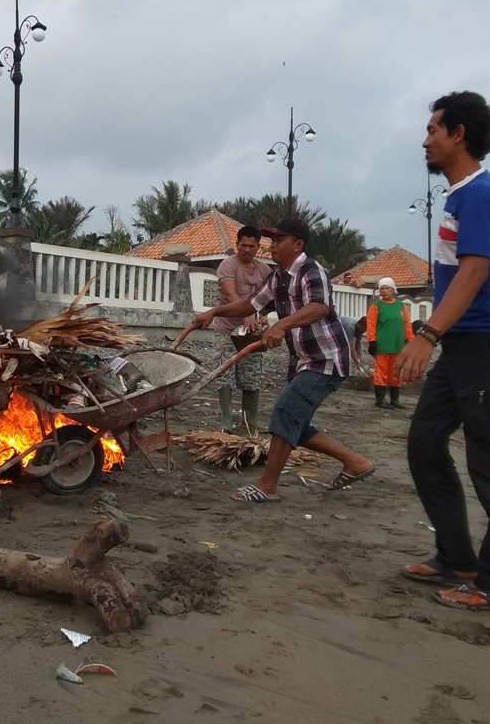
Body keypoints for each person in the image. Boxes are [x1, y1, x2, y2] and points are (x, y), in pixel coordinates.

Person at [192, 217, 373, 502]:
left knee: (285, 413)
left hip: (325, 358)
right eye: (272, 240)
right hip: (303, 360)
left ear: (298, 244)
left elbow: (320, 306)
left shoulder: (312, 270)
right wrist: (214, 312)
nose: (272, 245)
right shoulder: (276, 278)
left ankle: (267, 486)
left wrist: (281, 325)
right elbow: (251, 304)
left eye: (279, 240)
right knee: (295, 424)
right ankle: (355, 462)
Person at [395, 90, 490, 611]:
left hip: (480, 343)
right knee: (426, 444)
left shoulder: (479, 192)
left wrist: (425, 335)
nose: (425, 139)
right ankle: (456, 557)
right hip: (458, 345)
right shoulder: (457, 196)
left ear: (459, 134)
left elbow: (476, 271)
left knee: (485, 460)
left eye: (434, 129)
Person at [208, 225, 271, 432]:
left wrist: (262, 317)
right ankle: (226, 421)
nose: (247, 250)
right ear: (236, 245)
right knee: (224, 374)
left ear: (258, 247)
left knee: (251, 375)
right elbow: (229, 294)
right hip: (226, 329)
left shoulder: (264, 270)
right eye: (243, 245)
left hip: (251, 332)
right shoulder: (228, 265)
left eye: (251, 246)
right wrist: (246, 314)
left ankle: (250, 420)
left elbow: (267, 299)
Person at [366, 277, 414, 408]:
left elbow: (407, 325)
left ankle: (395, 400)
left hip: (398, 345)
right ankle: (380, 400)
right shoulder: (376, 306)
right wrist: (372, 341)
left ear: (393, 290)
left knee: (396, 372)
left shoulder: (401, 306)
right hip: (382, 345)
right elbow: (370, 325)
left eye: (387, 288)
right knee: (381, 372)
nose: (384, 291)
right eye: (382, 288)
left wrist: (411, 340)